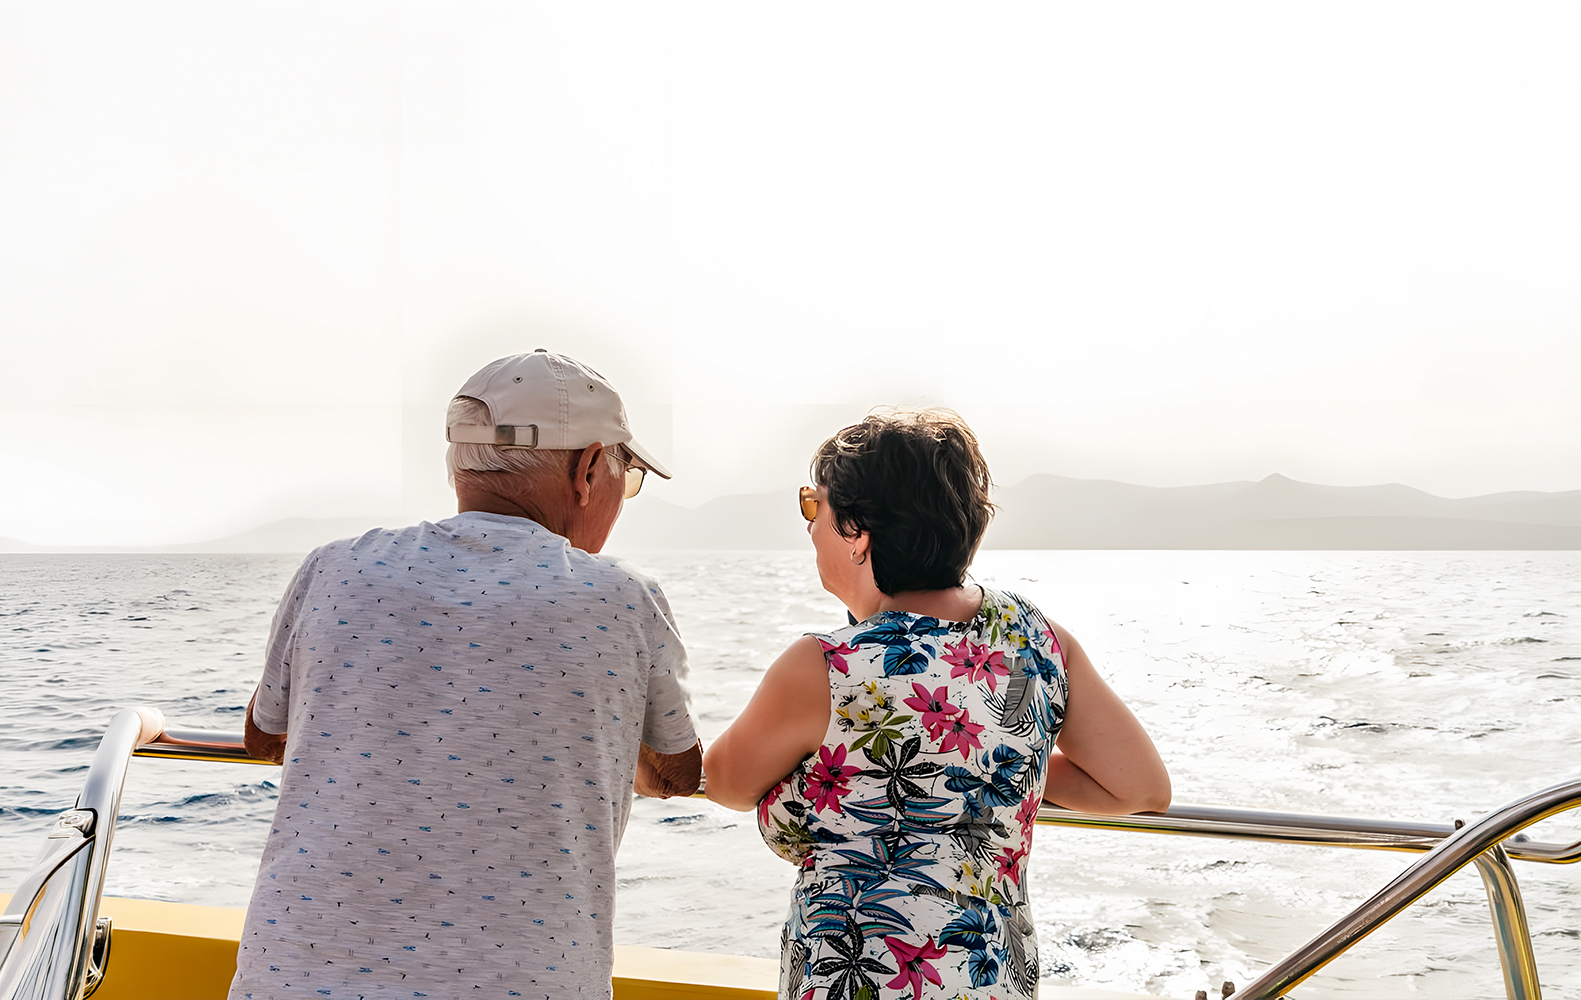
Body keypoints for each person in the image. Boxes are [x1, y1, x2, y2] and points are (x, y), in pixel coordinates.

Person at [233, 349, 702, 1000]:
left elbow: (265, 737)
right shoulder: (621, 599)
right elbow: (679, 772)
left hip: (289, 978)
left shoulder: (332, 570)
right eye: (628, 475)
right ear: (590, 468)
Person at [703, 410, 1170, 1000]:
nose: (808, 527)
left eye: (811, 505)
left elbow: (723, 781)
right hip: (991, 975)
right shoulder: (1035, 640)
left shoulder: (825, 667)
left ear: (857, 531)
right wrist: (982, 764)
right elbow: (1138, 789)